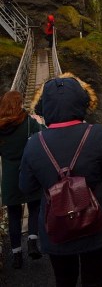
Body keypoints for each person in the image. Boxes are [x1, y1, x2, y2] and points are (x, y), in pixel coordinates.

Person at [19, 72, 102, 287]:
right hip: (96, 225)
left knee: (64, 280)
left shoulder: (33, 143)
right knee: (94, 279)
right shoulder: (98, 134)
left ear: (45, 107)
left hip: (56, 228)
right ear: (81, 102)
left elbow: (26, 187)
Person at [0, 91, 43, 269]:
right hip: (29, 171)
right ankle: (33, 240)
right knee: (35, 207)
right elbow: (41, 138)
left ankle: (16, 254)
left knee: (14, 216)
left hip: (10, 176)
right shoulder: (28, 122)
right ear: (19, 103)